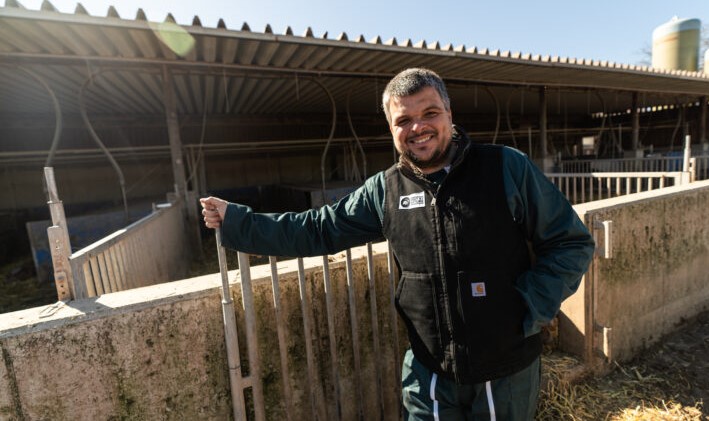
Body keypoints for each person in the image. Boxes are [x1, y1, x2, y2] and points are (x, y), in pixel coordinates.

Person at [201, 68, 594, 420]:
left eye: (429, 114)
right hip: (430, 371)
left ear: (450, 115)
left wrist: (529, 306)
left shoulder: (505, 167)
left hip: (505, 369)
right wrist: (239, 221)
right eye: (403, 120)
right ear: (391, 128)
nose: (417, 128)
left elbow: (570, 243)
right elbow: (318, 228)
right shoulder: (385, 190)